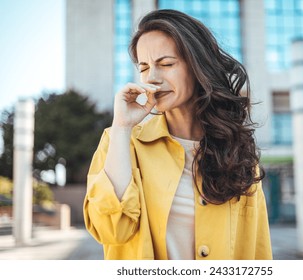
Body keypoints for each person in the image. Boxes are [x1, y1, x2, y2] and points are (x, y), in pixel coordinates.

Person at [84, 9, 272, 260]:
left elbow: (257, 251)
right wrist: (121, 127)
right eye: (144, 67)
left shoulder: (238, 149)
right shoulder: (121, 141)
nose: (152, 78)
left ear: (197, 67)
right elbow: (111, 230)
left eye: (166, 64)